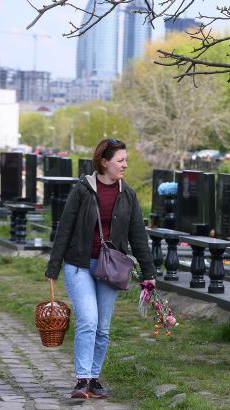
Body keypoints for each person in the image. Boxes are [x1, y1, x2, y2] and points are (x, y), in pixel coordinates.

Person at [45, 139, 156, 399]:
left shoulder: (128, 194)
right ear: (104, 162)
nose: (125, 165)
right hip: (80, 265)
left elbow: (138, 237)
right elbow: (64, 229)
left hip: (111, 268)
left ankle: (94, 378)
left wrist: (149, 274)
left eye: (126, 160)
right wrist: (53, 267)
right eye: (120, 160)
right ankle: (82, 379)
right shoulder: (82, 190)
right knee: (88, 320)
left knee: (103, 327)